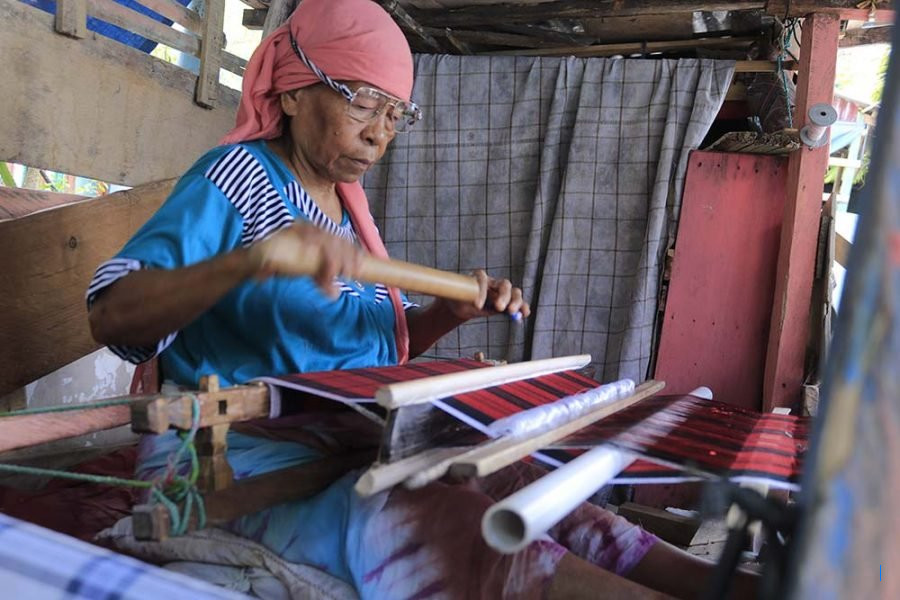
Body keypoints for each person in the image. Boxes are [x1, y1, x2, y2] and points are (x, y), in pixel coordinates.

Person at [87, 1, 757, 598]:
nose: (380, 132)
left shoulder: (344, 212)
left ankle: (736, 585)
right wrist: (249, 261)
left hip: (342, 450)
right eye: (360, 100)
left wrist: (447, 313)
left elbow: (370, 354)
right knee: (448, 523)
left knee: (517, 484)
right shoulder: (236, 178)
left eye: (395, 112)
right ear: (292, 92)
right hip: (238, 467)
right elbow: (112, 314)